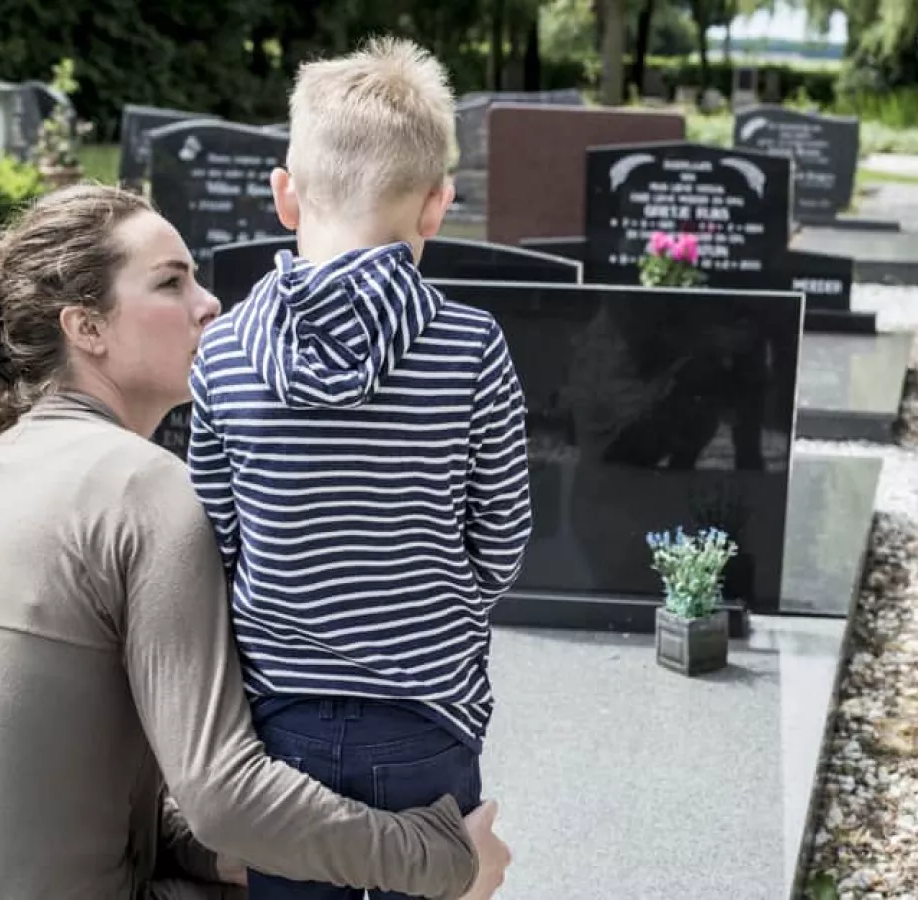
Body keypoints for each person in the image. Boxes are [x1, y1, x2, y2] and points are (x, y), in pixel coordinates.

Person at [0, 182, 511, 900]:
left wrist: (209, 856)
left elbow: (67, 785)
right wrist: (447, 861)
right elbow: (226, 799)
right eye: (172, 283)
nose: (209, 304)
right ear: (87, 327)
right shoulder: (145, 488)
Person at [185, 38, 533, 899]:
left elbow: (213, 542)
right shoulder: (470, 347)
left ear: (285, 195)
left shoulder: (223, 351)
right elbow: (501, 542)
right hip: (428, 717)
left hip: (278, 730)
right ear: (436, 206)